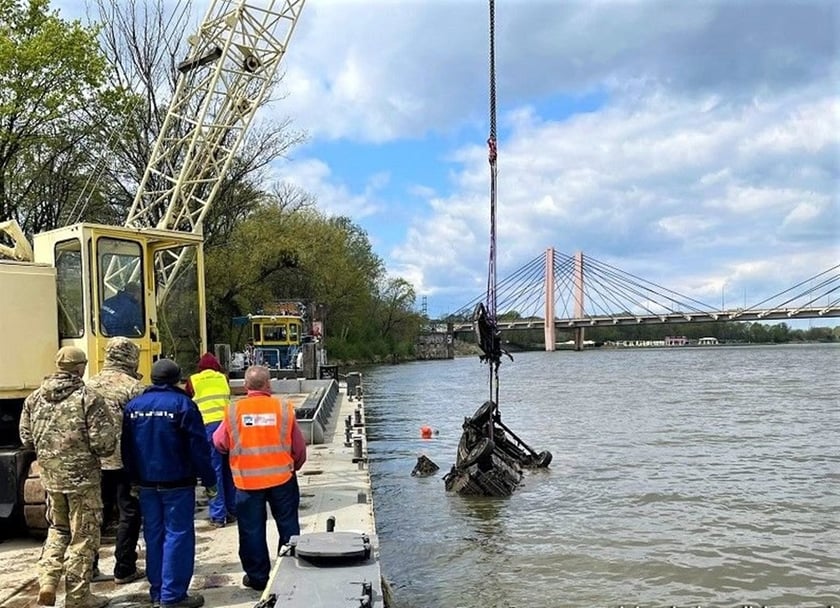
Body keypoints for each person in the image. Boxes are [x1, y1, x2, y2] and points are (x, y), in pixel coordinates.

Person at [19, 346, 116, 608]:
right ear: (79, 368)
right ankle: (78, 597)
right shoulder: (88, 398)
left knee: (58, 530)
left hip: (51, 479)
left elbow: (26, 438)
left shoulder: (34, 398)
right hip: (83, 482)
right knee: (83, 537)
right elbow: (104, 444)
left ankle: (48, 582)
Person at [122, 359, 216, 608]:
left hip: (146, 484)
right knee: (178, 535)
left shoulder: (133, 407)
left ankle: (158, 592)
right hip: (178, 483)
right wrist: (209, 481)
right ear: (178, 379)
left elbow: (127, 448)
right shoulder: (183, 405)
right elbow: (199, 448)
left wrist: (132, 479)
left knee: (154, 535)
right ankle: (173, 595)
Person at [213, 365, 307, 592]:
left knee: (251, 531)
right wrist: (293, 466)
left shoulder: (233, 411)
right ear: (269, 385)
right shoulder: (283, 409)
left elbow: (219, 442)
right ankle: (288, 571)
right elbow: (299, 448)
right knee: (288, 526)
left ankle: (257, 578)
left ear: (245, 386)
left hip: (247, 483)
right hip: (283, 480)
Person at [86, 337, 145, 585]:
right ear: (131, 357)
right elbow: (142, 427)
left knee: (93, 516)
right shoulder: (133, 387)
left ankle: (89, 567)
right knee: (128, 514)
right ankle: (124, 568)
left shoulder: (88, 385)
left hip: (93, 463)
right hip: (125, 462)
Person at [184, 352, 236, 527]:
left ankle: (218, 515)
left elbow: (188, 401)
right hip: (227, 427)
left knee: (214, 472)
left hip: (208, 429)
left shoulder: (193, 380)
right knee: (229, 471)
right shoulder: (223, 378)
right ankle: (232, 510)